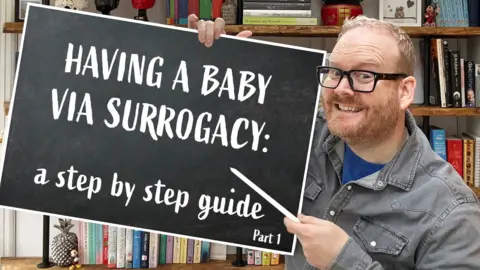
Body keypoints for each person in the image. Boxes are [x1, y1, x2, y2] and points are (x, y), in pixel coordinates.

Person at [187, 14, 480, 269]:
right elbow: (213, 141)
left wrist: (345, 261)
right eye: (335, 72)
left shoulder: (452, 213)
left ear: (405, 91)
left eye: (364, 75)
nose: (341, 89)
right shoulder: (301, 138)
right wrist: (213, 67)